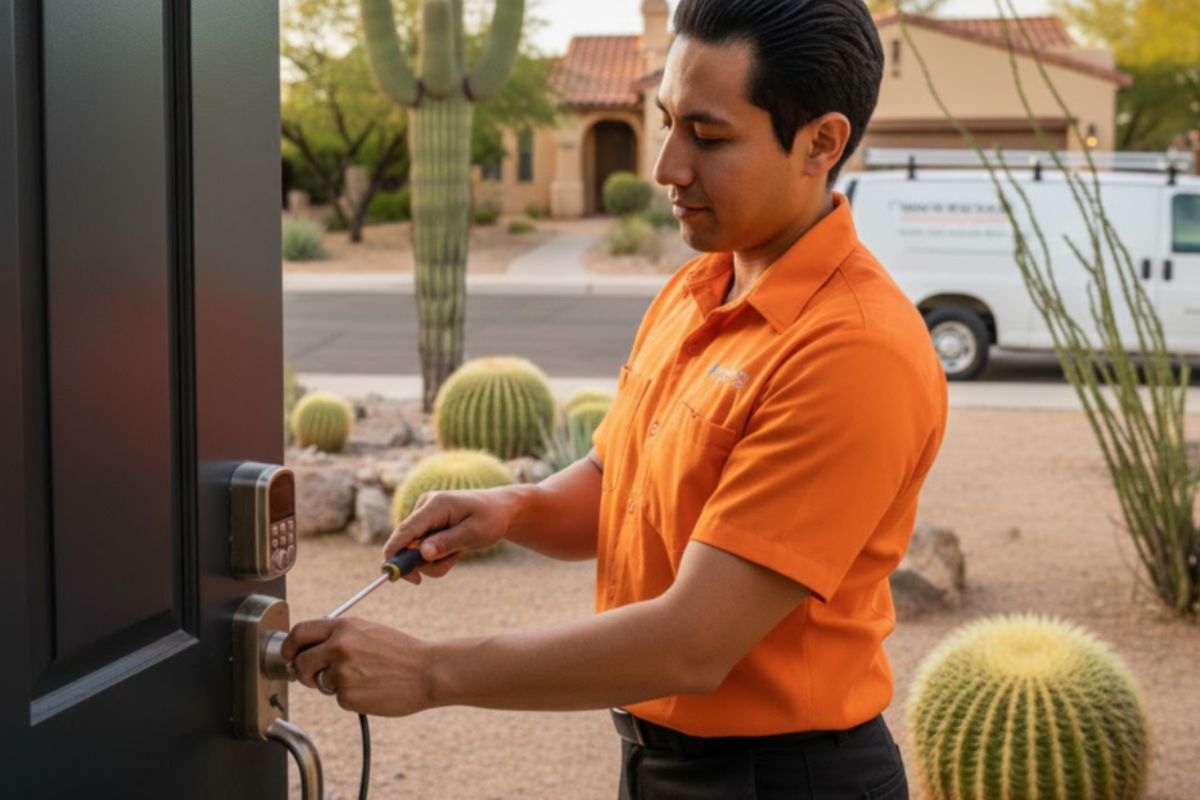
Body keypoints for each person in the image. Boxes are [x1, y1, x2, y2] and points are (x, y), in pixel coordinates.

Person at [283, 0, 948, 796]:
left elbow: (691, 645)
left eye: (708, 137)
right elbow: (620, 482)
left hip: (787, 779)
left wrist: (429, 672)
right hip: (657, 763)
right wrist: (515, 508)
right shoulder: (696, 288)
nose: (666, 167)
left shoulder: (853, 350)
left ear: (821, 143)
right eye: (666, 123)